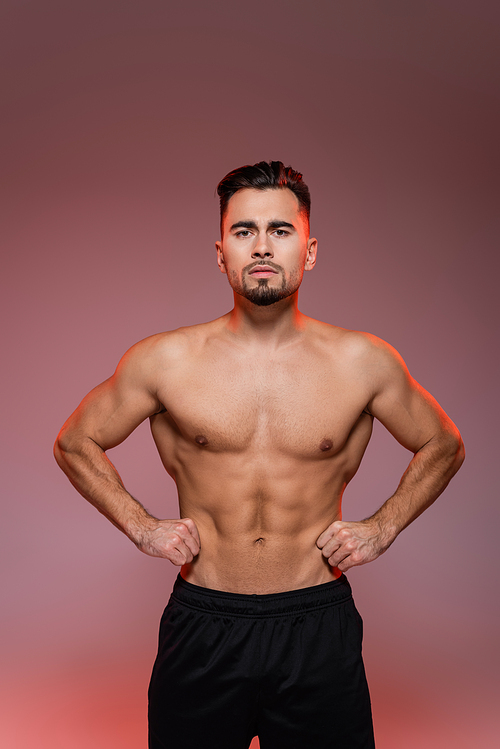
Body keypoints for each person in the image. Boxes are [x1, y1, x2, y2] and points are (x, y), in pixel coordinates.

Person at [54, 161, 464, 749]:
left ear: (310, 249)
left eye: (280, 229)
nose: (262, 246)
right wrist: (141, 527)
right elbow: (75, 441)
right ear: (220, 251)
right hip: (204, 622)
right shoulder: (164, 361)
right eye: (244, 231)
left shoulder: (363, 362)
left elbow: (444, 443)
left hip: (317, 624)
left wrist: (382, 527)